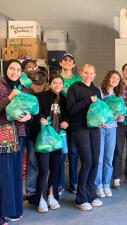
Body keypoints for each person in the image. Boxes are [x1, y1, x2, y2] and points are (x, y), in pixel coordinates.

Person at [29, 74, 69, 212]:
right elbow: (33, 112)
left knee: (55, 169)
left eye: (60, 83)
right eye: (54, 82)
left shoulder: (64, 99)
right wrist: (40, 118)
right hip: (44, 140)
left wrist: (66, 121)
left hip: (57, 140)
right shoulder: (40, 96)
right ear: (49, 83)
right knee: (43, 170)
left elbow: (68, 114)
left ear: (62, 85)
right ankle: (40, 199)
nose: (57, 85)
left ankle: (52, 196)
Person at [67, 64, 104, 211]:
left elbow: (99, 110)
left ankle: (90, 194)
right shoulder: (74, 88)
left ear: (94, 75)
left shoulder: (96, 90)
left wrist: (102, 122)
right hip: (79, 128)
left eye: (91, 73)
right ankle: (81, 198)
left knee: (95, 162)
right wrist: (88, 100)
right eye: (86, 72)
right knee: (87, 162)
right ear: (81, 73)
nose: (88, 75)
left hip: (94, 129)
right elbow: (71, 109)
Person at [0, 60, 32, 224]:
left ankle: (14, 209)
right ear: (6, 70)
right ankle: (4, 210)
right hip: (4, 134)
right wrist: (10, 96)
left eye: (18, 69)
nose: (15, 72)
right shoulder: (1, 85)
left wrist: (29, 117)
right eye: (12, 69)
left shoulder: (23, 88)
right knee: (5, 173)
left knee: (16, 172)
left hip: (19, 135)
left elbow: (30, 109)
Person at [21, 59, 49, 205]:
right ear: (22, 70)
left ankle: (31, 191)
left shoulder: (42, 85)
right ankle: (14, 191)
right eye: (28, 67)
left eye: (34, 67)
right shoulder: (17, 84)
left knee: (32, 160)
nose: (32, 69)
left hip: (34, 127)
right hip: (18, 126)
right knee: (17, 160)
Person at [94, 70, 125, 198]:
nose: (115, 80)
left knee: (108, 159)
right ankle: (98, 186)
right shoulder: (99, 92)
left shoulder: (119, 96)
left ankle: (106, 184)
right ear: (108, 78)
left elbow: (121, 118)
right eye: (113, 78)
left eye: (117, 79)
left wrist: (121, 116)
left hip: (112, 130)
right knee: (99, 160)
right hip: (100, 130)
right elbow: (95, 111)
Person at [58, 53, 81, 195]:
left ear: (73, 65)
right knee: (60, 153)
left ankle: (73, 182)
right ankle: (60, 183)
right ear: (60, 63)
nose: (67, 62)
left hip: (74, 122)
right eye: (65, 60)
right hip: (59, 122)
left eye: (70, 61)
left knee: (73, 152)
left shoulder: (78, 80)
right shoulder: (56, 79)